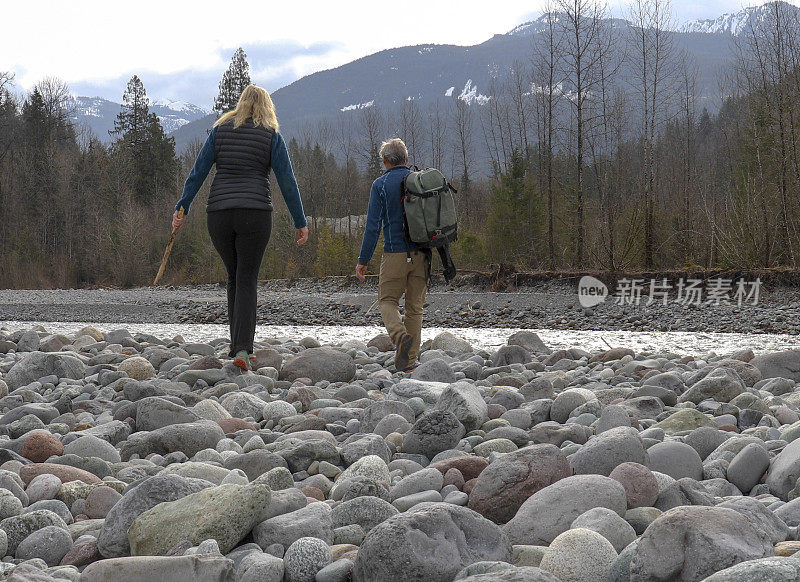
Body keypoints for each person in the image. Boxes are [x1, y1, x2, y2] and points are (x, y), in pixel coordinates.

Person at [172, 85, 309, 371]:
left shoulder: (219, 131)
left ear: (241, 103)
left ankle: (236, 346)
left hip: (219, 214)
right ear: (266, 107)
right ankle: (244, 350)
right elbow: (287, 181)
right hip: (255, 213)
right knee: (247, 278)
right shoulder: (271, 136)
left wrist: (182, 207)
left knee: (234, 277)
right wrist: (300, 221)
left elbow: (198, 172)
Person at [355, 138, 428, 372]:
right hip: (423, 254)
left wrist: (363, 260)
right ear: (407, 160)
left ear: (385, 161)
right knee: (415, 308)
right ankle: (409, 362)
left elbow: (373, 227)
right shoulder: (421, 180)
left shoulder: (381, 184)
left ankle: (399, 337)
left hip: (395, 253)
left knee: (387, 301)